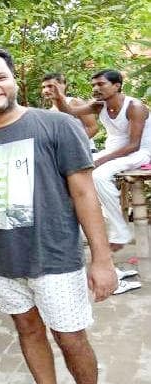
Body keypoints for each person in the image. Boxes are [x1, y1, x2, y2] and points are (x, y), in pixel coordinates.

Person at [0, 46, 117, 384]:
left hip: (56, 260)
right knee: (27, 330)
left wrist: (102, 259)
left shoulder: (57, 125)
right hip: (0, 263)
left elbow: (85, 194)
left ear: (14, 80)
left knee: (70, 338)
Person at [50, 69, 151, 253]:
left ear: (117, 85)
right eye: (94, 85)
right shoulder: (99, 105)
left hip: (139, 153)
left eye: (101, 84)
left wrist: (101, 160)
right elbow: (69, 111)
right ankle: (71, 226)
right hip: (113, 152)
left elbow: (134, 145)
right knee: (72, 168)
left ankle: (120, 231)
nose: (96, 88)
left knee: (99, 175)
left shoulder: (134, 107)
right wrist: (59, 97)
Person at [41, 72, 99, 151]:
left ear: (63, 85)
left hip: (85, 151)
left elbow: (93, 128)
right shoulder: (49, 112)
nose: (46, 90)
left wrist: (72, 145)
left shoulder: (74, 102)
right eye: (44, 87)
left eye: (50, 86)